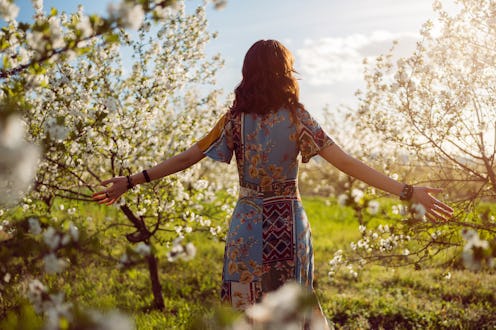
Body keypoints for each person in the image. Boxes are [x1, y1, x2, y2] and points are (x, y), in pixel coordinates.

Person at [93, 40, 453, 327]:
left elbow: (188, 157)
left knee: (244, 308)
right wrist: (406, 191)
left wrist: (130, 180)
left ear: (247, 72)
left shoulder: (233, 120)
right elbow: (345, 162)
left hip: (247, 227)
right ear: (285, 72)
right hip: (289, 226)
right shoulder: (298, 118)